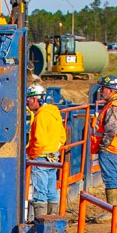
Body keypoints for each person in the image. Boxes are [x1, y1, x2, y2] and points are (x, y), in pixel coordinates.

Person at [25, 85, 66, 218]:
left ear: (36, 99)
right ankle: (53, 217)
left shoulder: (41, 116)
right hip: (53, 156)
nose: (27, 102)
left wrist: (31, 154)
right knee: (51, 190)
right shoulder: (54, 112)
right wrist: (54, 149)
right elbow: (62, 137)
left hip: (41, 157)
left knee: (40, 192)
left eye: (29, 98)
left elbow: (39, 141)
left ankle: (40, 220)